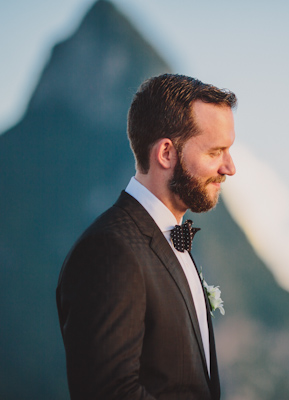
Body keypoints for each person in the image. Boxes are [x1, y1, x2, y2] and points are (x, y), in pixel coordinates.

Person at [56, 74, 237, 399]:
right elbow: (109, 392)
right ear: (166, 153)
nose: (230, 167)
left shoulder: (171, 240)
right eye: (215, 152)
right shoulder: (110, 251)